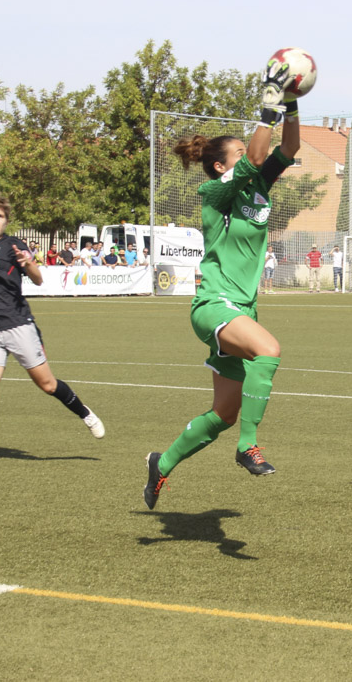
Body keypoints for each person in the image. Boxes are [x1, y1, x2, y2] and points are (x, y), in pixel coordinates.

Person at [143, 56, 301, 508]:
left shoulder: (256, 188)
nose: (252, 158)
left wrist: (291, 103)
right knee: (269, 351)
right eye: (236, 156)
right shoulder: (213, 193)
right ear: (218, 167)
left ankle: (162, 463)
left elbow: (286, 150)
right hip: (214, 304)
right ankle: (248, 447)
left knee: (224, 414)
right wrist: (268, 103)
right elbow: (257, 154)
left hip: (241, 310)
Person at [0, 192, 104, 472]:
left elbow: (36, 278)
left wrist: (29, 264)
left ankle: (85, 413)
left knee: (47, 385)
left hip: (18, 325)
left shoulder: (13, 245)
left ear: (6, 221)